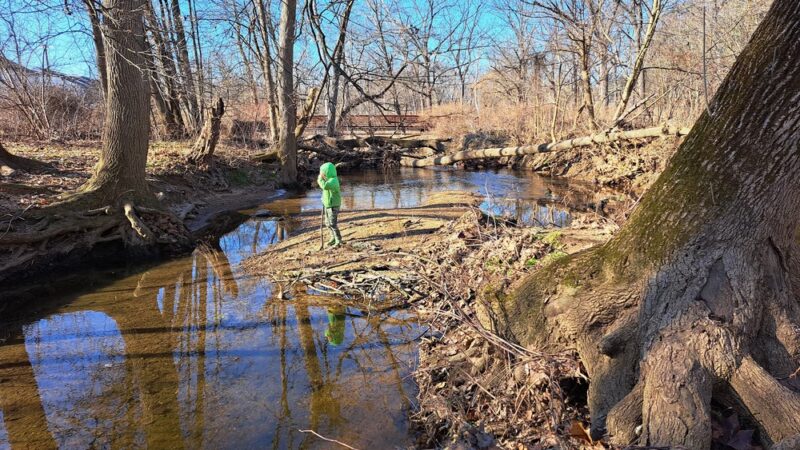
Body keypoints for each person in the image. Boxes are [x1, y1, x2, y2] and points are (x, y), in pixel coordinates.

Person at [318, 162, 342, 247]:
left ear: (327, 172)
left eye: (323, 172)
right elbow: (325, 192)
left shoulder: (333, 180)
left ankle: (338, 240)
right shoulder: (328, 180)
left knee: (332, 223)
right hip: (327, 204)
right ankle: (333, 237)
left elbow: (325, 186)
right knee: (327, 223)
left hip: (333, 205)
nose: (322, 174)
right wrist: (323, 199)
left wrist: (320, 178)